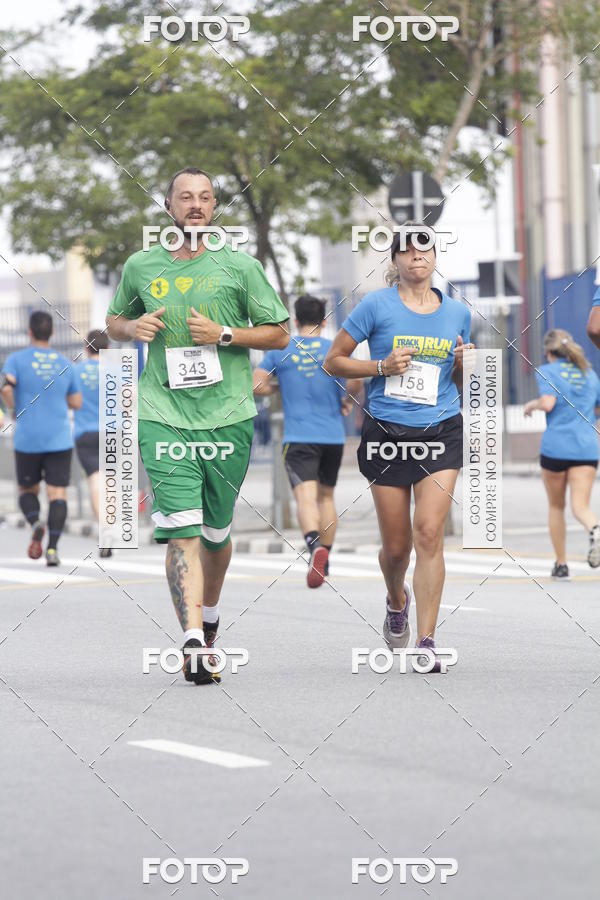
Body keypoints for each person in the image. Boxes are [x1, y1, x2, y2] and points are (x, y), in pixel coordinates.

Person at [106, 166, 289, 685]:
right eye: (185, 197)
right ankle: (190, 640)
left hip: (228, 416)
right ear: (169, 206)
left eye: (205, 197)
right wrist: (131, 327)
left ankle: (209, 618)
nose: (195, 205)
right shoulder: (142, 265)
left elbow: (279, 335)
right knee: (181, 529)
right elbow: (112, 321)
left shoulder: (240, 267)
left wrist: (225, 334)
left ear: (214, 208)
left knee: (215, 532)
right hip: (162, 413)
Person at [324, 227, 473, 671]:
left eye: (423, 250)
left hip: (441, 431)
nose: (415, 258)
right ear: (395, 262)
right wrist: (380, 366)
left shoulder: (457, 314)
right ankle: (395, 597)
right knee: (396, 548)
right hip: (388, 433)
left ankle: (427, 641)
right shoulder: (375, 306)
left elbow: (458, 381)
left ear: (434, 258)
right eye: (405, 252)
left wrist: (465, 367)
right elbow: (334, 360)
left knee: (429, 532)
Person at [253, 294, 361, 587]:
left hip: (299, 436)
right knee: (326, 497)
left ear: (295, 321)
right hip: (333, 435)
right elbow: (356, 379)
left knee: (305, 497)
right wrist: (346, 400)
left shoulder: (281, 350)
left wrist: (280, 386)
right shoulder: (333, 349)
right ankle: (326, 555)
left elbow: (257, 384)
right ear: (324, 321)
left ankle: (314, 548)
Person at [1, 311, 82, 566]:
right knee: (58, 494)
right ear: (53, 333)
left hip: (28, 438)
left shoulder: (15, 360)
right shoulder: (65, 363)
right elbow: (76, 401)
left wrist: (14, 407)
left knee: (27, 489)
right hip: (59, 438)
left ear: (30, 331)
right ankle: (52, 550)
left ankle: (36, 523)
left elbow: (6, 388)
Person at [524, 328, 600, 578]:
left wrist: (531, 406)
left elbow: (548, 402)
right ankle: (594, 528)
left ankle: (561, 564)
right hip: (586, 447)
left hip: (556, 448)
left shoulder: (547, 371)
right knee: (581, 506)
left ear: (548, 352)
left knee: (557, 506)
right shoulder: (589, 374)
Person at [74, 329, 113, 558]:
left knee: (95, 481)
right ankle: (112, 524)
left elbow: (70, 400)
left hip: (85, 432)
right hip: (112, 430)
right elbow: (130, 400)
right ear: (108, 348)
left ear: (86, 348)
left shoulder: (75, 372)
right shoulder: (117, 370)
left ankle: (105, 528)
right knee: (111, 481)